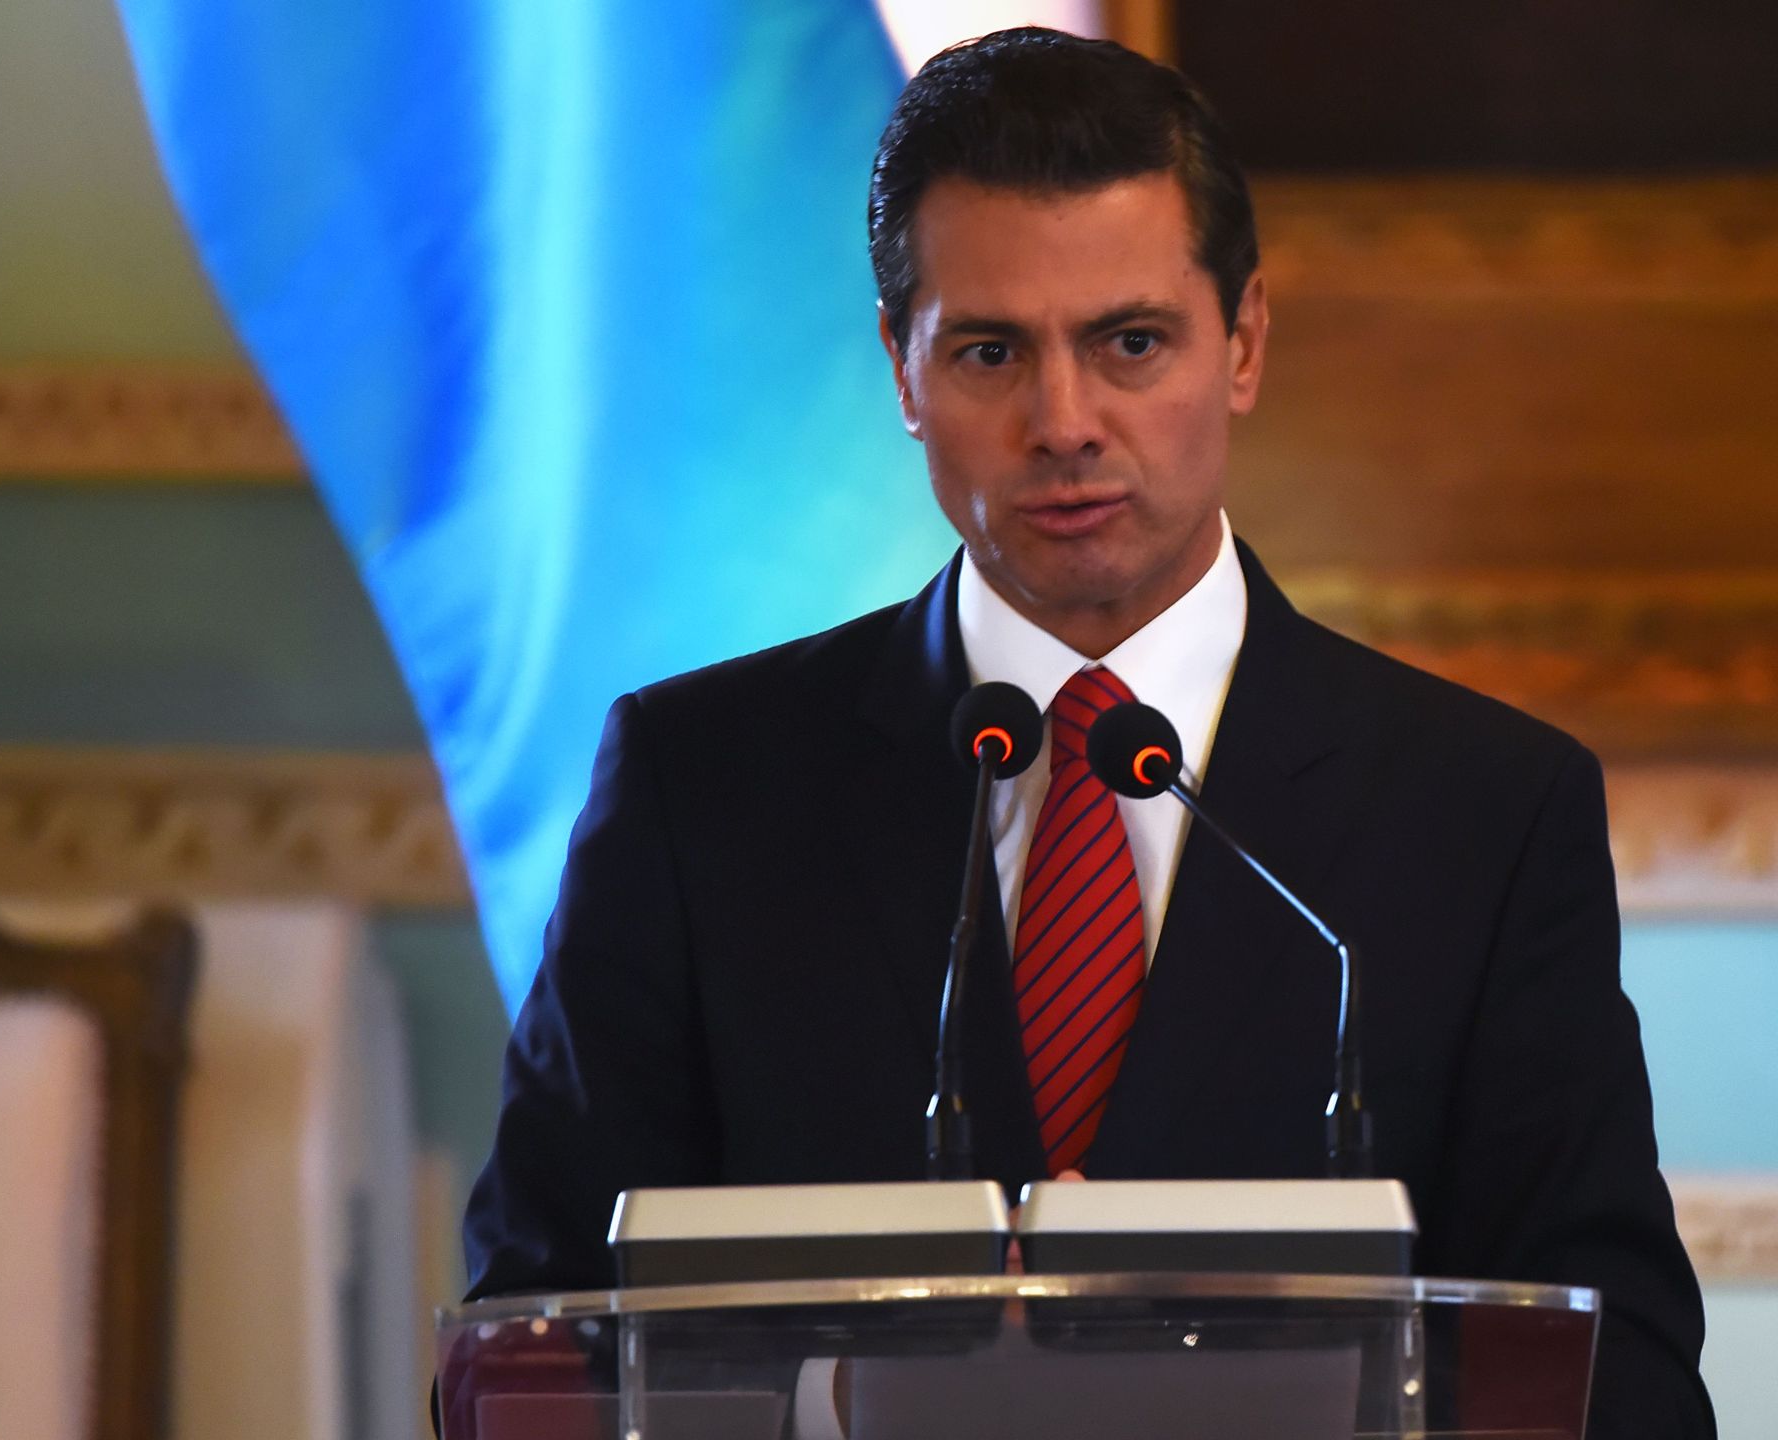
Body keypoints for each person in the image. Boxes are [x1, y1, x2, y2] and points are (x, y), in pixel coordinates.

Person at [464, 26, 1714, 1437]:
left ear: (1240, 345)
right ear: (903, 371)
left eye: (1131, 343)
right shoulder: (700, 790)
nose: (1065, 423)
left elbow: (1623, 1379)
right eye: (992, 351)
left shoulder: (1487, 814)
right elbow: (532, 1344)